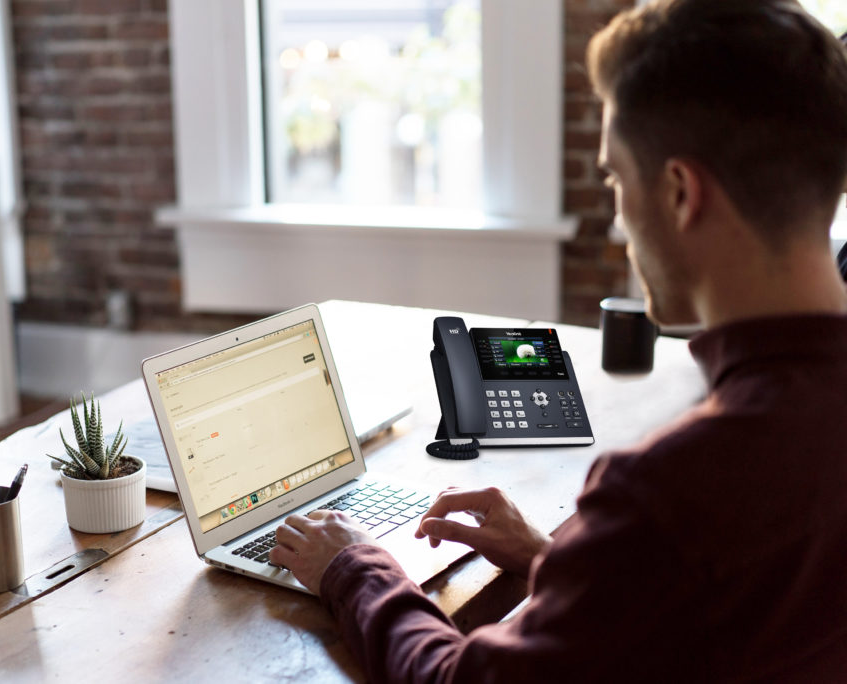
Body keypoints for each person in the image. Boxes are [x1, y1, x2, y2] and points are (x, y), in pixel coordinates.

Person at [269, 0, 847, 681]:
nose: (618, 217)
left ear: (681, 193)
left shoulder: (671, 491)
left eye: (614, 177)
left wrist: (353, 567)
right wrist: (565, 563)